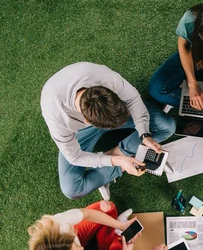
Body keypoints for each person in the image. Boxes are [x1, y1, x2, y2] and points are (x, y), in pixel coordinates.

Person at [41, 62, 176, 200]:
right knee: (72, 189)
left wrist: (144, 134)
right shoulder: (58, 118)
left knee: (167, 126)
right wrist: (117, 161)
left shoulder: (103, 76)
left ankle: (120, 153)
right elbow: (74, 157)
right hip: (79, 132)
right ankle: (120, 158)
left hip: (113, 110)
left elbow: (133, 98)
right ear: (87, 122)